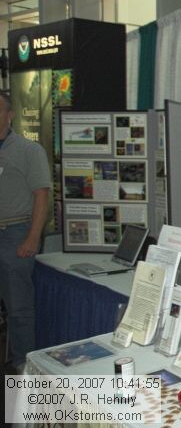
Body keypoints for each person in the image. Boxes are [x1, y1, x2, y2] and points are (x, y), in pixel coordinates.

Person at [0, 92, 51, 373]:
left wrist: (33, 237)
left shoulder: (29, 151)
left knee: (18, 308)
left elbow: (41, 195)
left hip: (16, 232)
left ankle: (23, 366)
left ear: (10, 115)